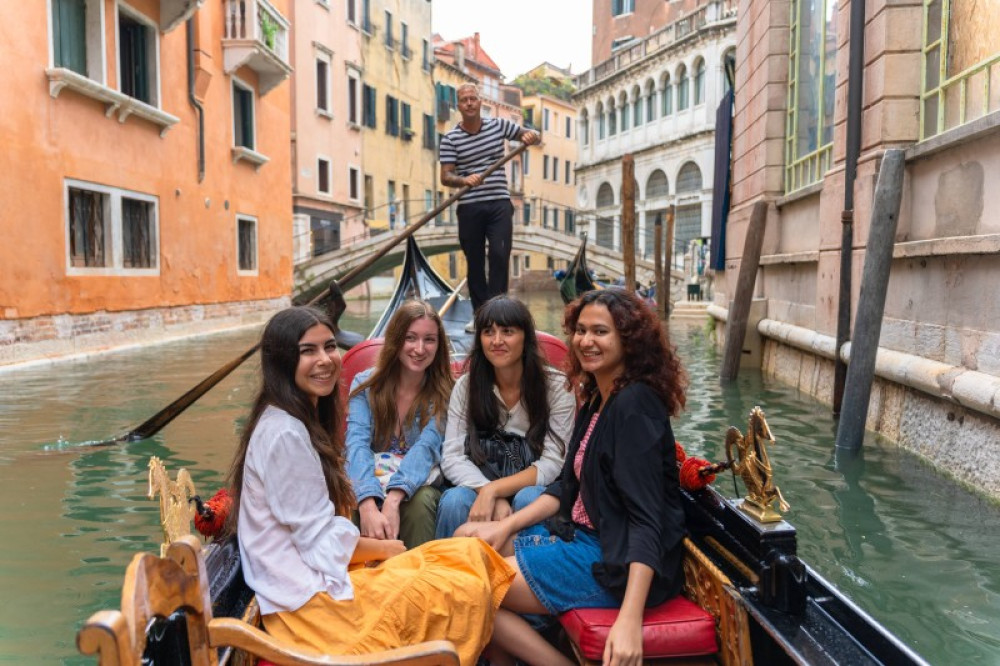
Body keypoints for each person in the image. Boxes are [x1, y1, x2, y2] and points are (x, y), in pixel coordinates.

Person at [226, 306, 514, 665]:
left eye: (330, 347)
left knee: (466, 558)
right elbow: (320, 541)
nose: (326, 360)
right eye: (308, 351)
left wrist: (389, 524)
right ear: (282, 360)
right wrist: (387, 550)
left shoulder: (290, 421)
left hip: (311, 579)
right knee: (464, 575)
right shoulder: (286, 432)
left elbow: (424, 451)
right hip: (309, 600)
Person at [456, 289, 689, 666]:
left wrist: (630, 619)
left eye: (600, 332)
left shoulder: (635, 407)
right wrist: (504, 529)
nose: (585, 341)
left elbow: (647, 520)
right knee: (464, 544)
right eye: (580, 331)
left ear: (628, 340)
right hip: (584, 540)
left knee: (467, 586)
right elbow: (567, 486)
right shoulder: (599, 396)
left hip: (613, 563)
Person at [436, 296, 574, 540]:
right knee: (455, 500)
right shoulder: (466, 386)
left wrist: (495, 490)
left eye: (507, 331)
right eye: (488, 332)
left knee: (529, 498)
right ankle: (448, 574)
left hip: (533, 486)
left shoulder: (557, 387)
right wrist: (486, 491)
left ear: (526, 338)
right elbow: (453, 457)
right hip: (477, 481)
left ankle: (522, 574)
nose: (497, 341)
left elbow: (554, 462)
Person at [346, 300, 453, 549]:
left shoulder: (446, 393)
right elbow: (356, 443)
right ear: (395, 339)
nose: (419, 348)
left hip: (420, 483)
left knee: (420, 501)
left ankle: (418, 576)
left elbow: (427, 448)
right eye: (410, 338)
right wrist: (367, 502)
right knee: (349, 499)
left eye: (429, 340)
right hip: (369, 477)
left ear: (439, 346)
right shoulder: (365, 385)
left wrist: (393, 499)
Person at [439, 83, 541, 330]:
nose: (470, 103)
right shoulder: (450, 139)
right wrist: (464, 180)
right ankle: (480, 314)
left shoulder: (498, 125)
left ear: (479, 101)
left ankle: (498, 310)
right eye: (465, 100)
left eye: (473, 98)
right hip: (470, 207)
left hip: (499, 204)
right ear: (458, 105)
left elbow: (530, 135)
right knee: (474, 262)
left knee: (499, 254)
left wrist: (531, 135)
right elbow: (445, 176)